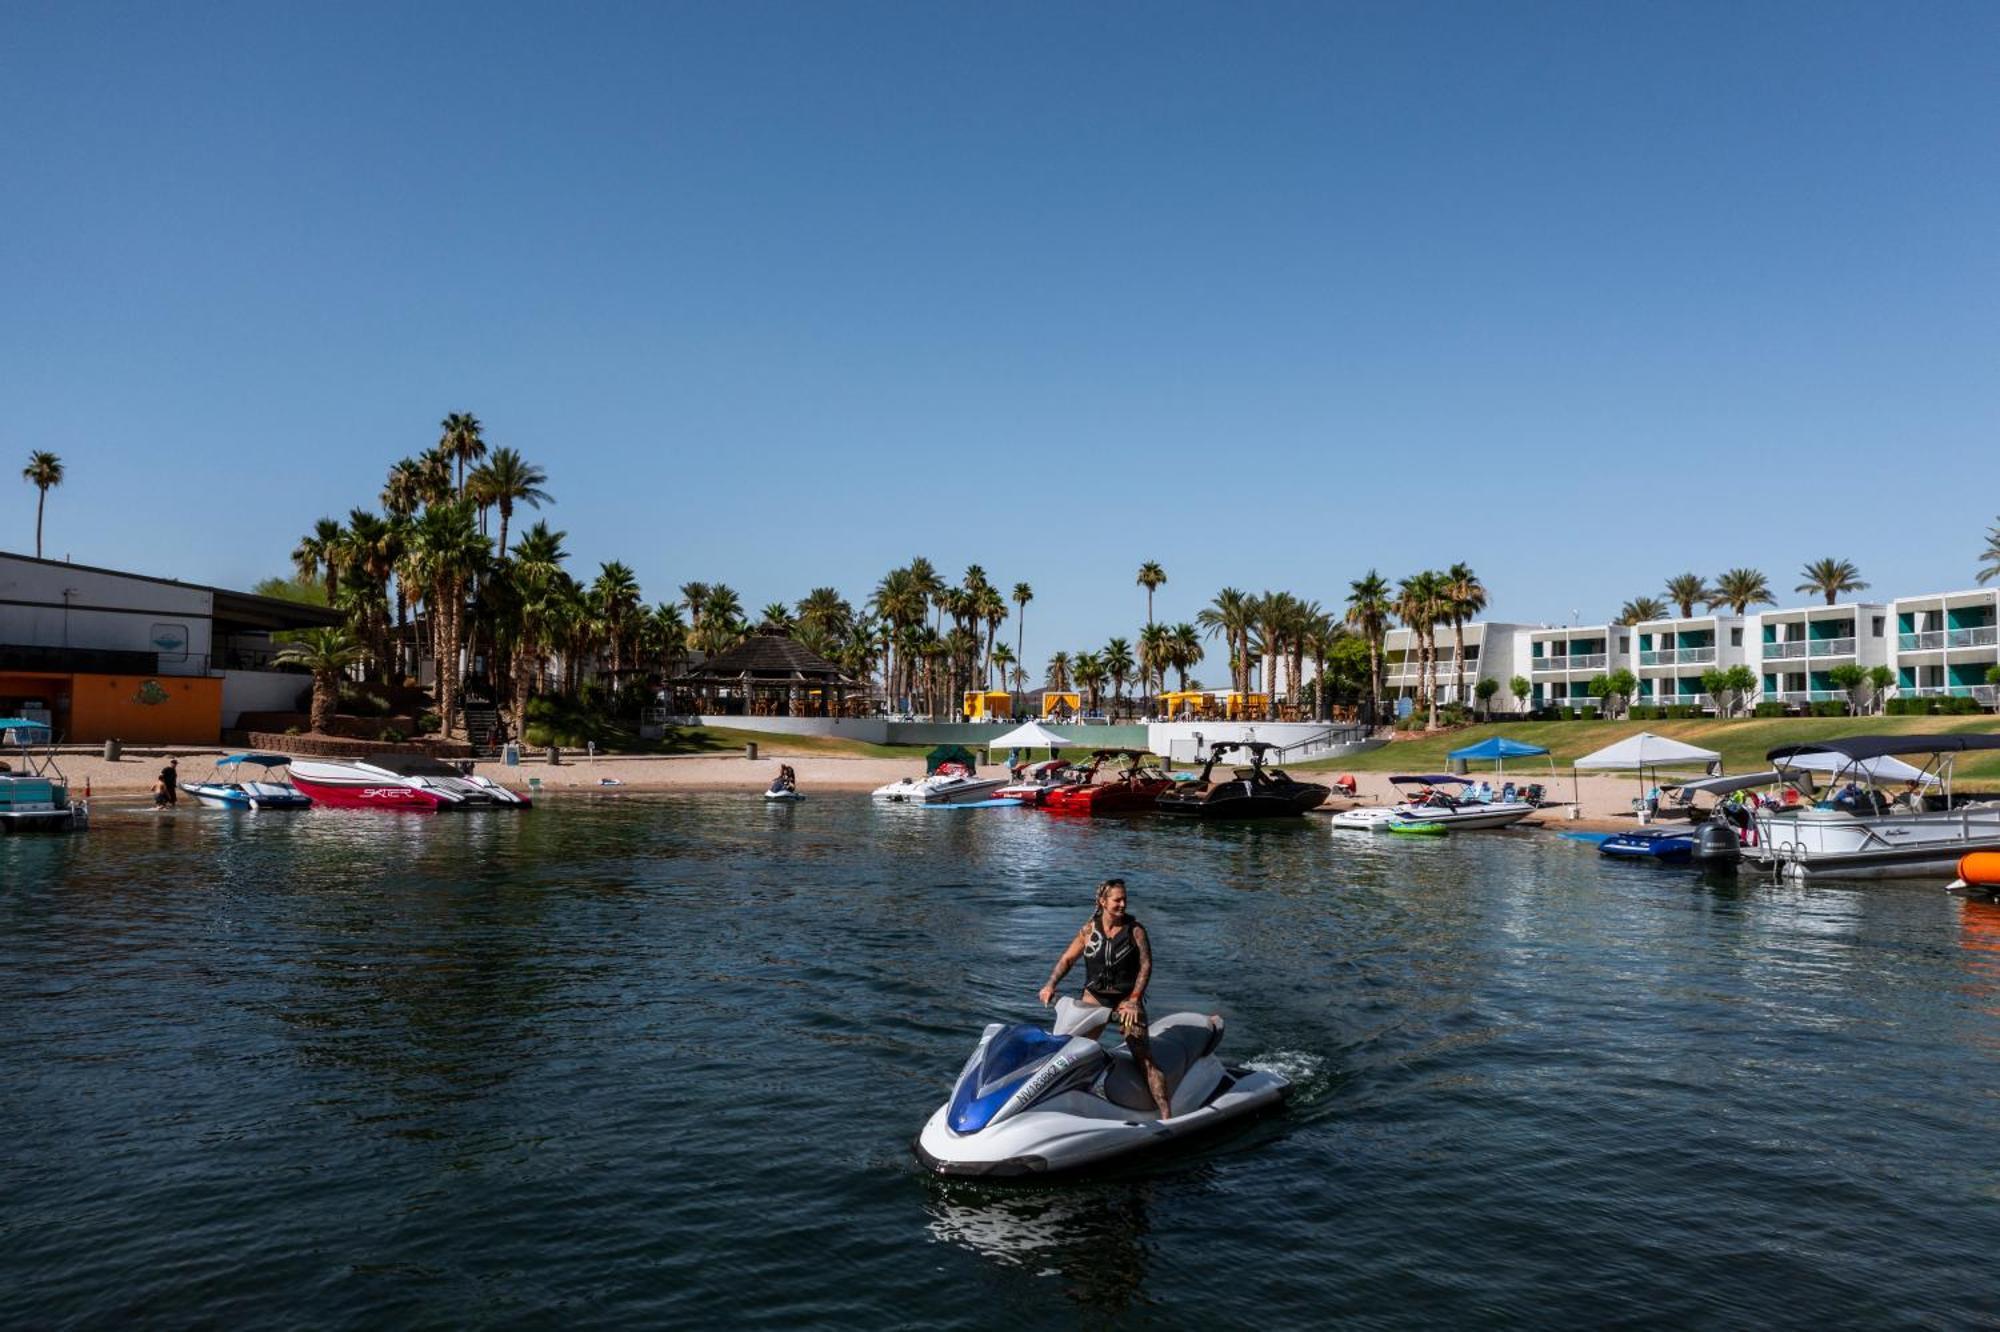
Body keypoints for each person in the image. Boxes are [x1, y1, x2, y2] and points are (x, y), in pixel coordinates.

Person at [1038, 879, 1173, 1120]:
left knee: (1144, 1058)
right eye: (1117, 900)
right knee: (1068, 1053)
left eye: (1124, 899)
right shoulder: (1089, 929)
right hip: (1094, 997)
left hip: (1125, 1000)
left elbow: (1145, 966)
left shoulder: (1135, 930)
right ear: (1103, 902)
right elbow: (1068, 959)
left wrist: (1133, 1000)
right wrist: (1050, 985)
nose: (1122, 904)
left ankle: (1166, 1115)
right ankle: (1060, 1105)